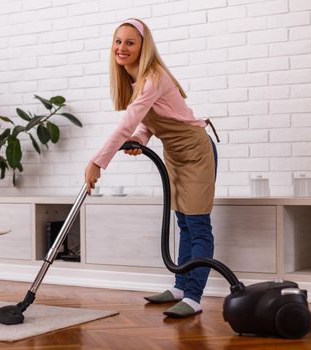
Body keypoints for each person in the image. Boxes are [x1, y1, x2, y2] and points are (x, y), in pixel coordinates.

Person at [84, 18, 219, 318]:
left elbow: (127, 122)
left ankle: (195, 297)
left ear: (144, 47)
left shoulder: (152, 77)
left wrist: (97, 162)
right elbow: (148, 122)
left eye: (130, 42)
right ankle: (181, 286)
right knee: (183, 223)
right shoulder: (136, 80)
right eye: (118, 41)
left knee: (198, 225)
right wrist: (138, 139)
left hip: (196, 152)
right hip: (174, 154)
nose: (122, 48)